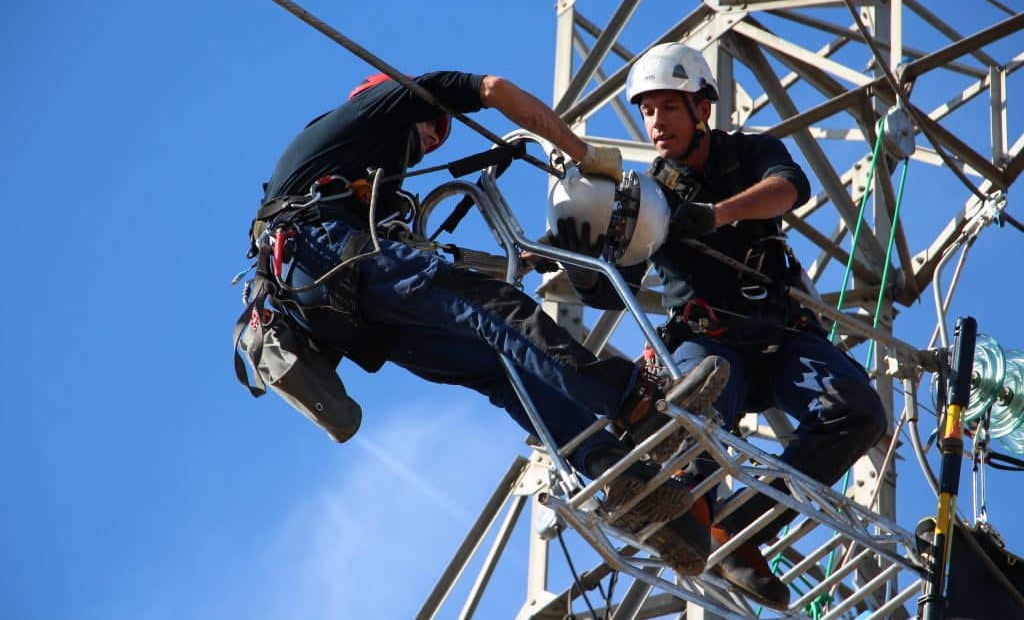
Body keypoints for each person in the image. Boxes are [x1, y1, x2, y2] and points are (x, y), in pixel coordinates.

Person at [242, 69, 729, 562]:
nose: (434, 138)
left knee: (500, 365)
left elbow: (422, 271)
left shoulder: (364, 182)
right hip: (322, 255)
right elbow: (493, 89)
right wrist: (584, 156)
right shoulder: (374, 109)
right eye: (434, 122)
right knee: (494, 309)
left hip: (337, 301)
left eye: (442, 133)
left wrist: (553, 252)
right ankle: (633, 399)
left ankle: (616, 473)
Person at [549, 43, 889, 610]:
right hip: (706, 343)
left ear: (701, 109)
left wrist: (716, 215)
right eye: (648, 111)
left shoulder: (751, 155)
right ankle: (693, 514)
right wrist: (581, 264)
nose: (656, 123)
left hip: (781, 334)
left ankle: (741, 530)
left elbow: (790, 189)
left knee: (859, 413)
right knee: (691, 407)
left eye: (668, 108)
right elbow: (616, 290)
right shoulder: (647, 199)